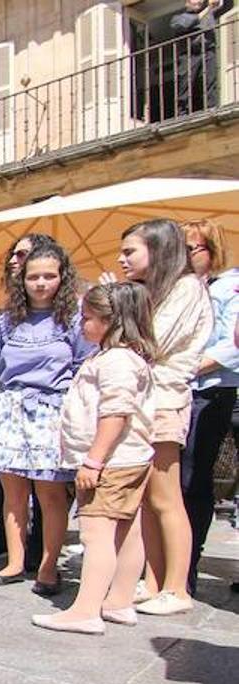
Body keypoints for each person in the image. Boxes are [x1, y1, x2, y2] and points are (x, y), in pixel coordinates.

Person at [102, 219, 214, 615]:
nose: (121, 258)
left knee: (167, 498)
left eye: (130, 251)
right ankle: (152, 582)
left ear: (159, 250)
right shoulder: (155, 292)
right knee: (148, 499)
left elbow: (152, 342)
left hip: (165, 399)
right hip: (145, 400)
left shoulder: (186, 289)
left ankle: (176, 589)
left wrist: (120, 313)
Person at [34, 283, 156, 634]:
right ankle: (118, 601)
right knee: (129, 530)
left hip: (112, 461)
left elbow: (115, 412)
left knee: (95, 532)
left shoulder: (117, 360)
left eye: (87, 318)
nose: (81, 325)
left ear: (111, 320)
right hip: (129, 458)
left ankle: (86, 609)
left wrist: (93, 460)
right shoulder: (122, 357)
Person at [0, 239, 93, 594]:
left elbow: (83, 365)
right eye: (33, 277)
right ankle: (13, 562)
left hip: (52, 409)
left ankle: (47, 567)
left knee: (51, 495)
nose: (40, 283)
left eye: (48, 276)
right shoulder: (6, 321)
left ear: (62, 278)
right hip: (9, 408)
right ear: (21, 280)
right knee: (12, 494)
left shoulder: (72, 318)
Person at [179, 219, 239, 596]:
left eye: (190, 249)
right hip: (181, 392)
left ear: (211, 250)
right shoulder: (185, 291)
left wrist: (187, 366)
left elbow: (231, 345)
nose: (183, 257)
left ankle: (187, 566)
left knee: (194, 479)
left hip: (211, 392)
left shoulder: (229, 287)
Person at [169, 0, 235, 114]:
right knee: (186, 84)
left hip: (208, 51)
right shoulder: (178, 18)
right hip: (189, 54)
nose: (199, 1)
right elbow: (187, 24)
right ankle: (182, 114)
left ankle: (211, 108)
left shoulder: (209, 13)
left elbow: (228, 5)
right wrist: (208, 8)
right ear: (187, 2)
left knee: (210, 81)